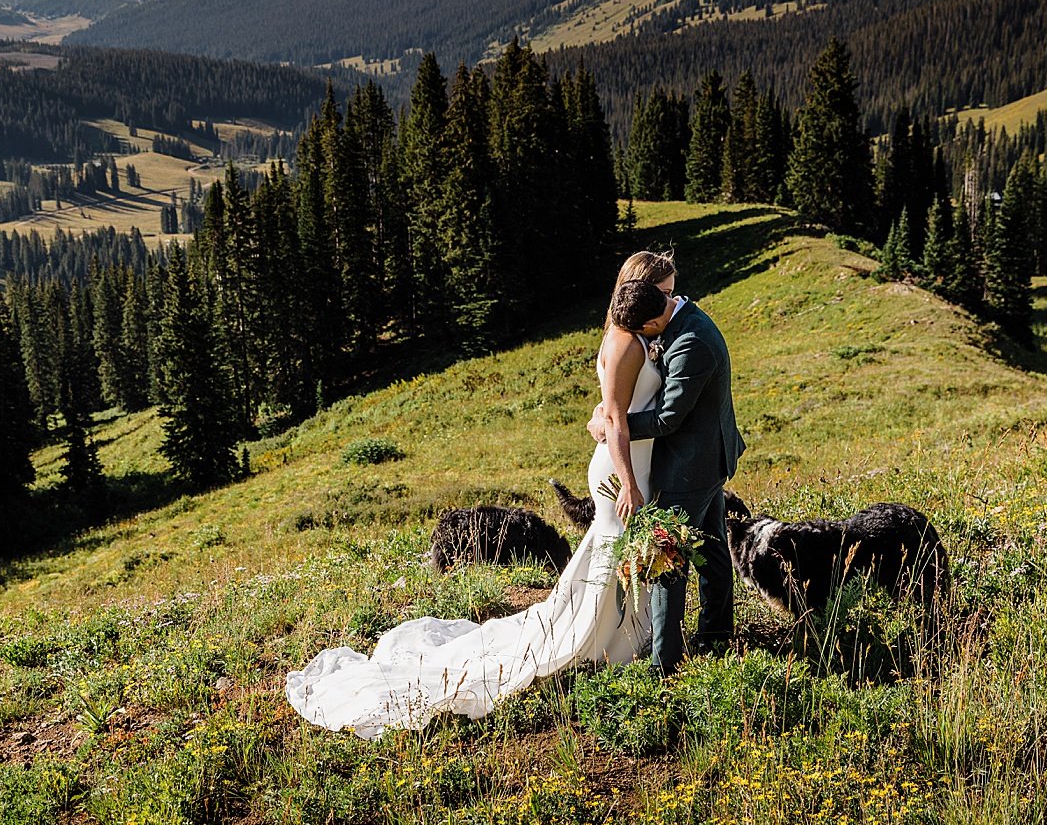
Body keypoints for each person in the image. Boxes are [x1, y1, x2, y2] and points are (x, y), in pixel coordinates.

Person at [284, 252, 677, 738]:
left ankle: (617, 640)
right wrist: (631, 483)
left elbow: (606, 408)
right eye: (664, 292)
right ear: (641, 293)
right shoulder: (627, 344)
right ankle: (600, 646)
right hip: (621, 472)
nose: (672, 299)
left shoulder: (629, 337)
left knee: (613, 554)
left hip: (626, 463)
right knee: (615, 552)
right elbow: (614, 416)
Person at [592, 276, 744, 675]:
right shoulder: (681, 318)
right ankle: (715, 635)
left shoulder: (691, 341)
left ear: (654, 324)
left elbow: (668, 418)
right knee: (711, 549)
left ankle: (666, 663)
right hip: (706, 459)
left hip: (689, 467)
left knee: (667, 563)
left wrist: (613, 426)